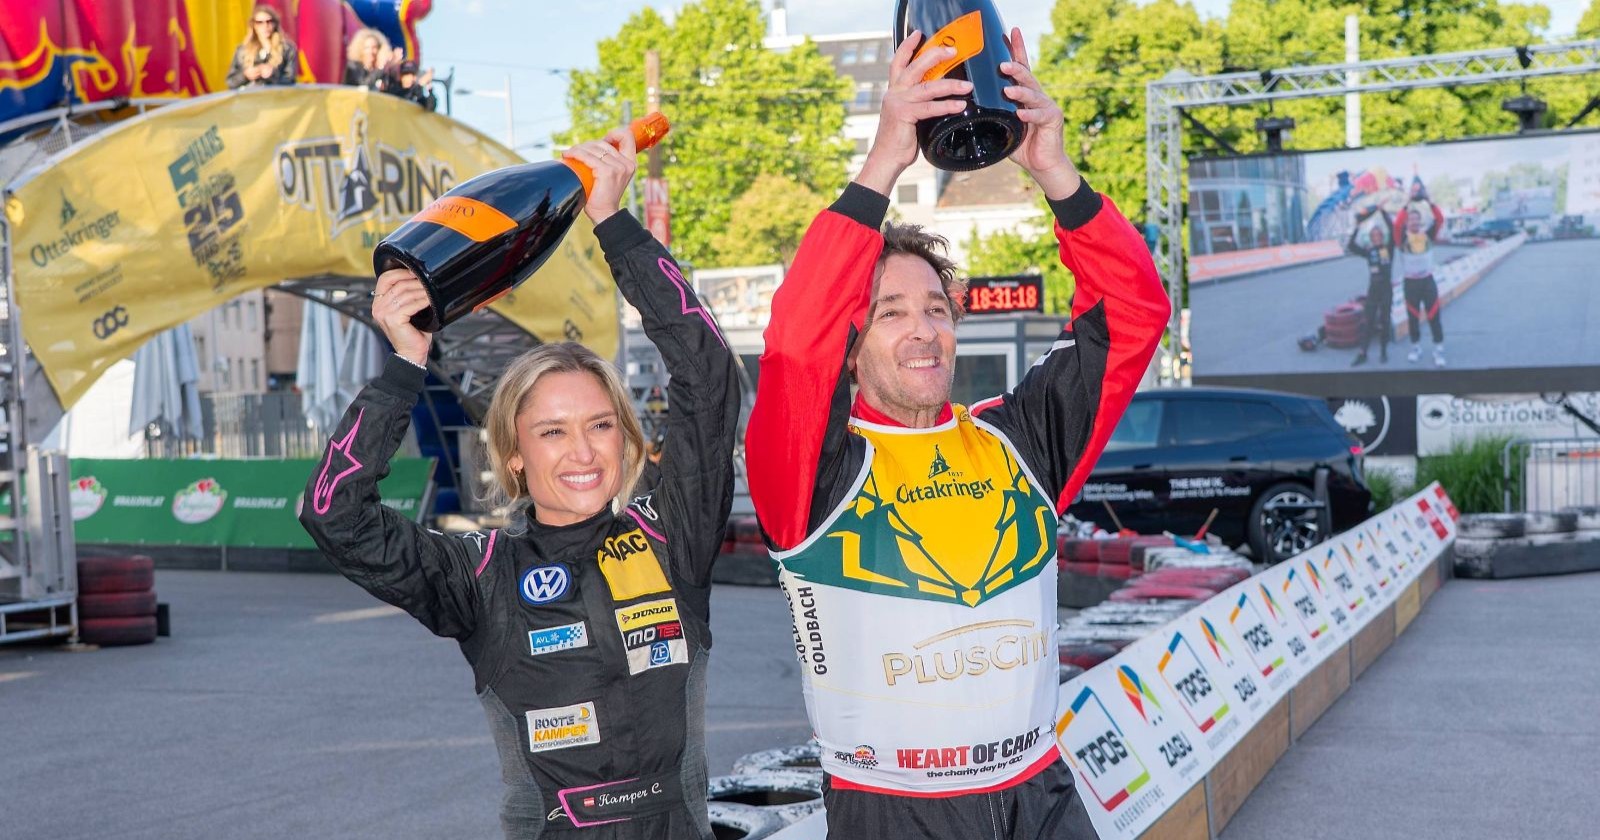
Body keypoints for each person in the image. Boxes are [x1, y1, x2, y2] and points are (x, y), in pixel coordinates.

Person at [744, 28, 1170, 840]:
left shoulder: (1018, 441)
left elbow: (1133, 315)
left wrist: (1054, 170)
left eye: (937, 310)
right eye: (891, 313)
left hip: (1041, 796)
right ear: (852, 341)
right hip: (894, 812)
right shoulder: (813, 470)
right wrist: (882, 162)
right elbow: (797, 344)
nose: (923, 331)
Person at [299, 129, 739, 839]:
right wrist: (405, 365)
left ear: (627, 438)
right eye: (553, 431)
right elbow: (334, 514)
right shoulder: (478, 575)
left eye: (600, 425)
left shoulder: (672, 534)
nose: (583, 452)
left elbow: (708, 375)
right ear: (514, 457)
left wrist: (614, 223)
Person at [1393, 179, 1446, 367]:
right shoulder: (1401, 238)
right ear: (1408, 221)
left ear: (1420, 221)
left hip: (1427, 282)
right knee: (1412, 317)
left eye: (1417, 219)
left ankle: (1438, 349)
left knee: (1434, 316)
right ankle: (1416, 347)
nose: (1414, 221)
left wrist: (1428, 201)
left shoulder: (1428, 235)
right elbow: (1397, 225)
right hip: (1411, 284)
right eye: (1411, 219)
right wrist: (1407, 203)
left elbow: (1439, 219)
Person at [1345, 205, 1394, 366]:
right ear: (1371, 238)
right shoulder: (1369, 251)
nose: (1376, 237)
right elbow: (1351, 246)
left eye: (1378, 234)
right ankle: (1363, 353)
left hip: (1386, 289)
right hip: (1373, 290)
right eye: (1373, 235)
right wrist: (1358, 226)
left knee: (1385, 321)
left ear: (1382, 236)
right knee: (1368, 321)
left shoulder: (1388, 248)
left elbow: (1392, 229)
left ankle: (1383, 351)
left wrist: (1382, 211)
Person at [225, 5, 298, 89]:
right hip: (249, 99)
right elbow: (230, 82)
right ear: (254, 25)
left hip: (276, 99)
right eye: (260, 22)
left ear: (275, 24)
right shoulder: (242, 50)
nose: (265, 26)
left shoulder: (287, 49)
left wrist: (273, 75)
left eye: (269, 21)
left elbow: (291, 80)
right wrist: (245, 75)